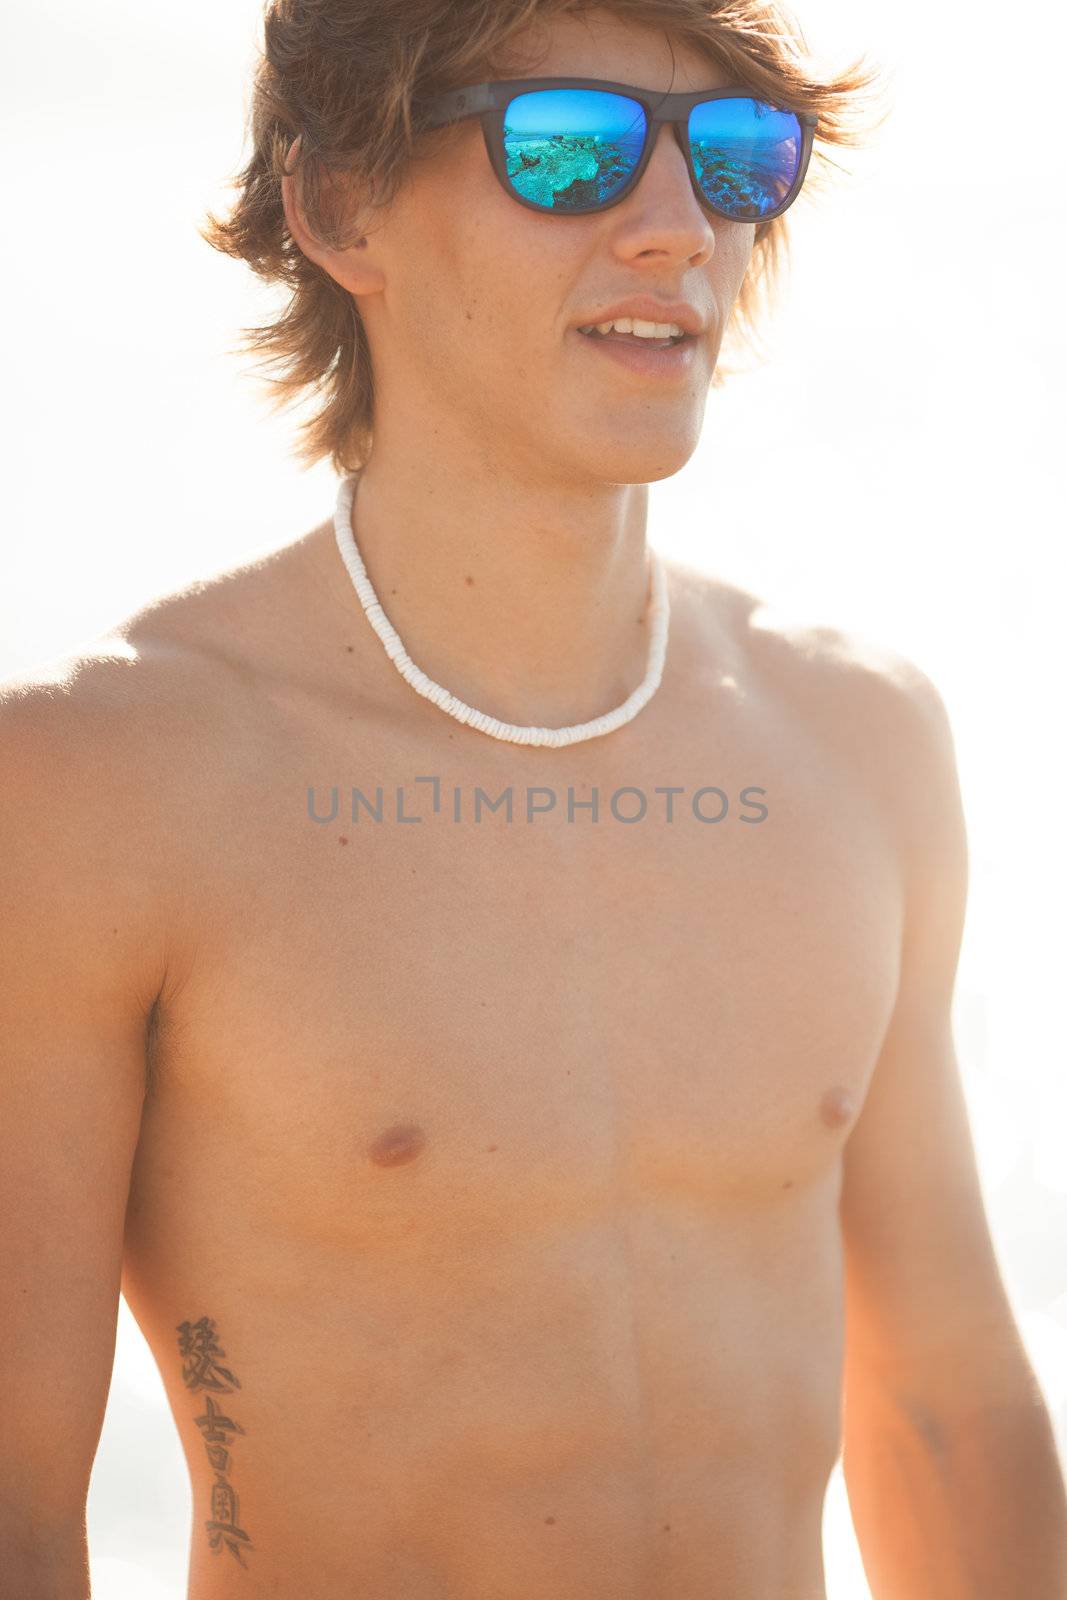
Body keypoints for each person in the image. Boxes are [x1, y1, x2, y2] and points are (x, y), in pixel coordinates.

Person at [2, 3, 1065, 1596]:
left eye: (733, 156)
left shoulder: (859, 739)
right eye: (566, 151)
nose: (674, 229)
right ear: (340, 207)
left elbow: (943, 1416)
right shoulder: (103, 781)